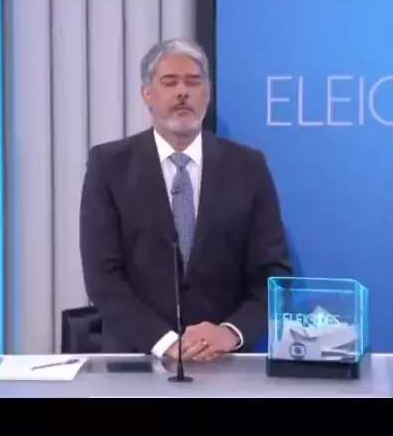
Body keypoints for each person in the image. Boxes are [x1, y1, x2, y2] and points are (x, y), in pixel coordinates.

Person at [80, 38, 292, 362]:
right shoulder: (109, 166)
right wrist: (165, 342)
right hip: (137, 360)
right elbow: (103, 277)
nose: (182, 92)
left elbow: (274, 275)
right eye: (170, 82)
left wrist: (230, 332)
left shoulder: (248, 167)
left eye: (193, 82)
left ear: (208, 93)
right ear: (147, 94)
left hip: (224, 362)